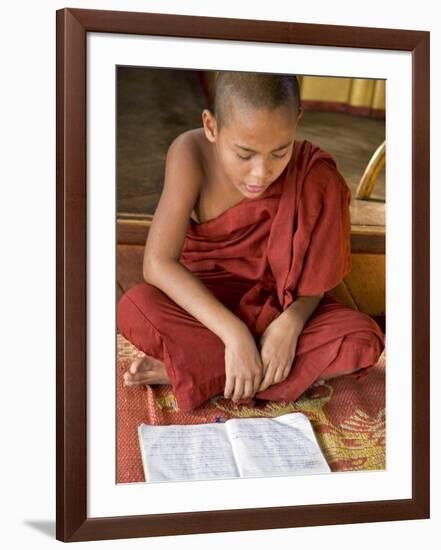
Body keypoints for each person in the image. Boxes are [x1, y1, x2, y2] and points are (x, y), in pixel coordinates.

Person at [117, 71, 385, 412]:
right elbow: (157, 264)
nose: (261, 172)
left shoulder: (315, 174)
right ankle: (228, 366)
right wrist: (235, 335)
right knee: (134, 307)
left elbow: (313, 284)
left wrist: (290, 325)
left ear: (297, 122)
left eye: (280, 151)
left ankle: (190, 370)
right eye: (244, 155)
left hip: (279, 305)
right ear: (212, 127)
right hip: (206, 306)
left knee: (361, 338)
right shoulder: (191, 152)